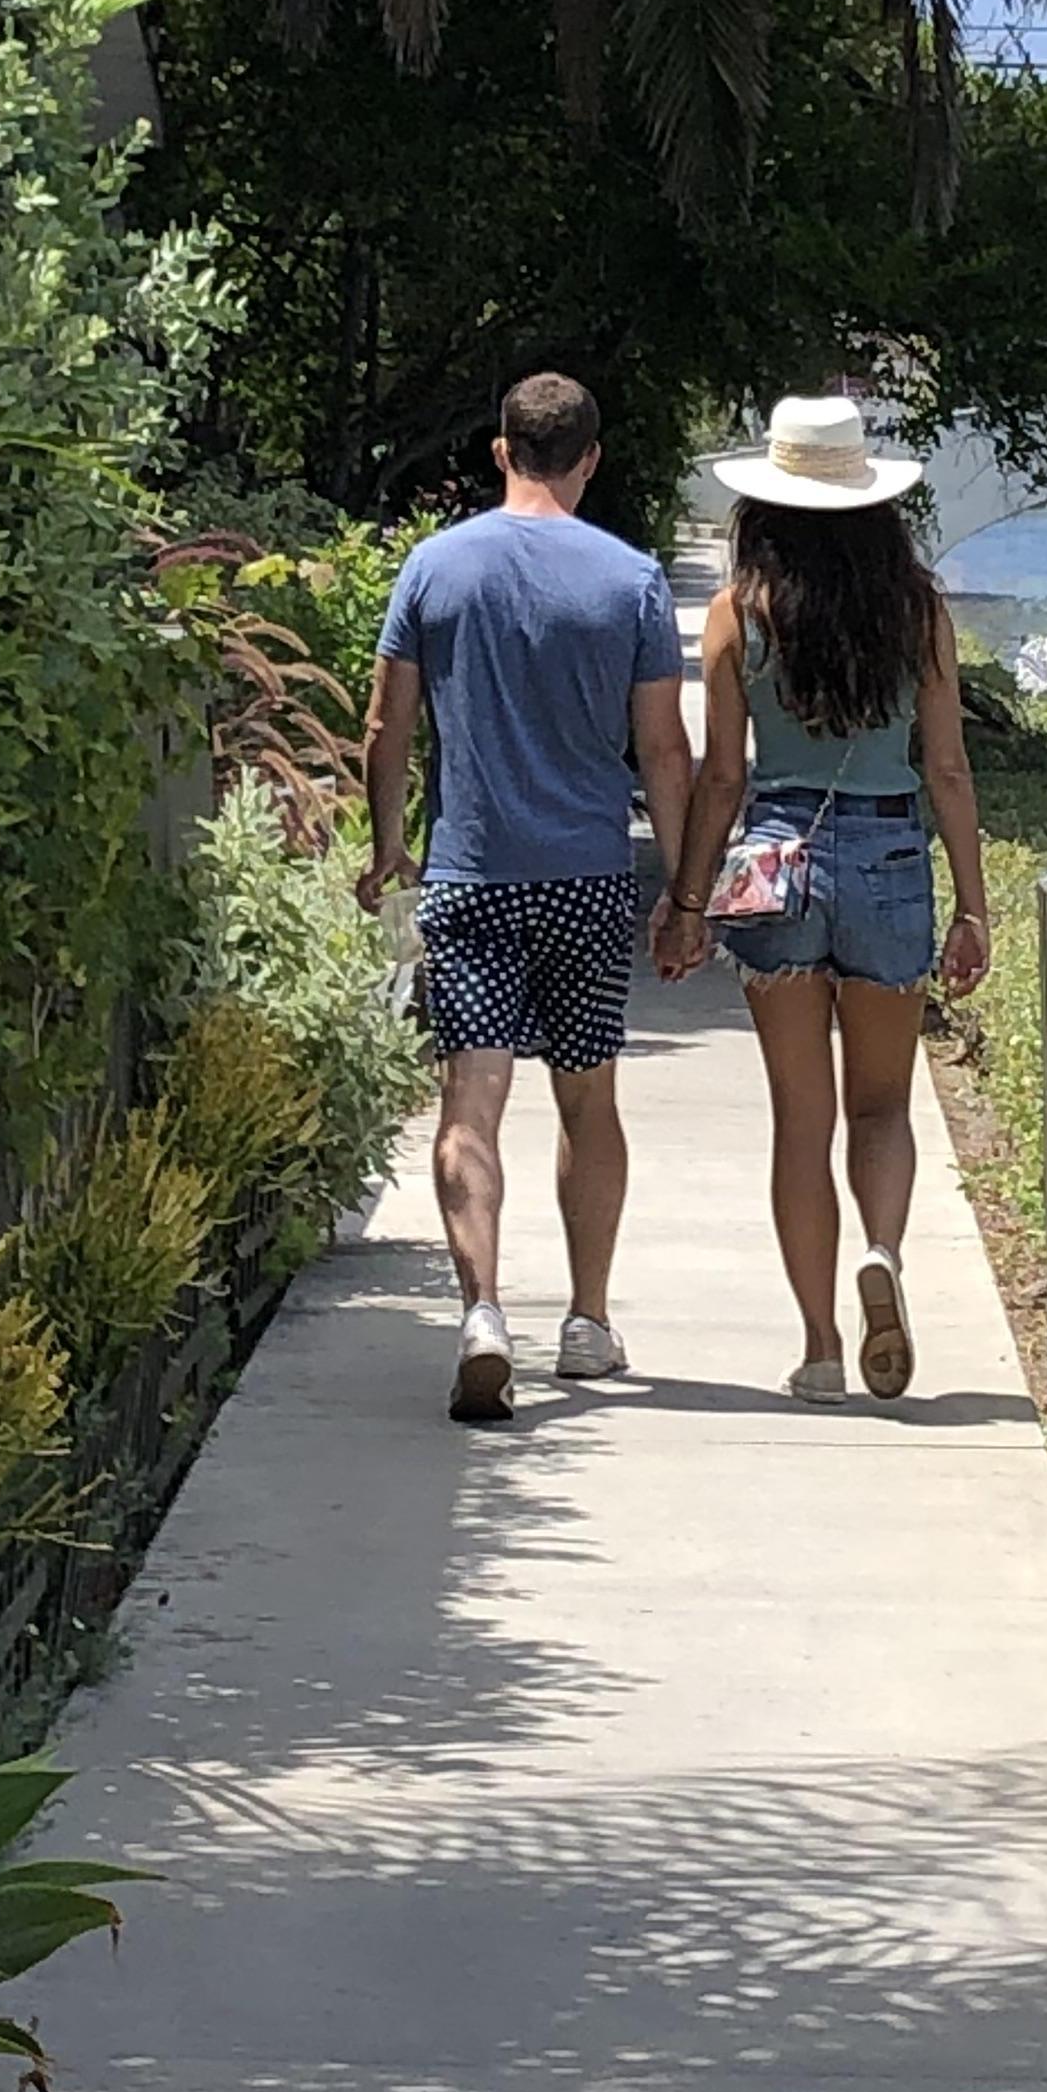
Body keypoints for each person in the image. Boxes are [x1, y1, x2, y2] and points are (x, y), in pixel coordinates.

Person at [360, 372, 695, 1424]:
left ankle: (483, 1312)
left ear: (502, 452)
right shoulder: (631, 582)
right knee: (587, 1099)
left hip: (469, 872)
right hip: (587, 881)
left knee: (472, 1101)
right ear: (590, 458)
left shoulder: (433, 568)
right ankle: (587, 1321)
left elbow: (387, 730)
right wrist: (684, 892)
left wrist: (385, 850)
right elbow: (663, 748)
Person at [657, 395, 994, 1402]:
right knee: (883, 1105)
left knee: (799, 1119)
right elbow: (948, 769)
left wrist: (685, 903)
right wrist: (972, 906)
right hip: (890, 852)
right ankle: (882, 1253)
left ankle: (817, 1348)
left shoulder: (739, 612)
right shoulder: (918, 609)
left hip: (774, 860)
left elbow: (723, 777)